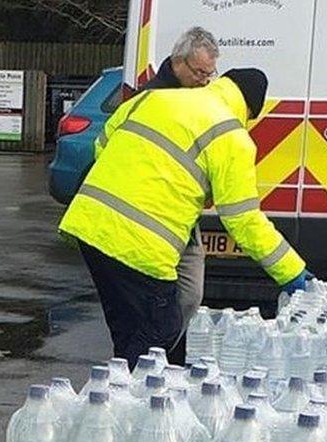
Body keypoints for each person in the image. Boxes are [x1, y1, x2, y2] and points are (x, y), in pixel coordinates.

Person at [59, 68, 312, 367]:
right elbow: (242, 219)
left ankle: (116, 396)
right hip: (139, 247)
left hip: (89, 226)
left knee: (128, 332)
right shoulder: (231, 135)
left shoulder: (153, 99)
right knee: (159, 331)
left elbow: (102, 145)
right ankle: (119, 402)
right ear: (250, 109)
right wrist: (291, 272)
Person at [140, 27, 220, 364]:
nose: (205, 81)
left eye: (210, 74)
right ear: (178, 63)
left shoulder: (198, 99)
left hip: (183, 216)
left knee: (189, 295)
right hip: (156, 215)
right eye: (200, 73)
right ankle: (157, 362)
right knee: (160, 299)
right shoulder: (154, 99)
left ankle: (167, 355)